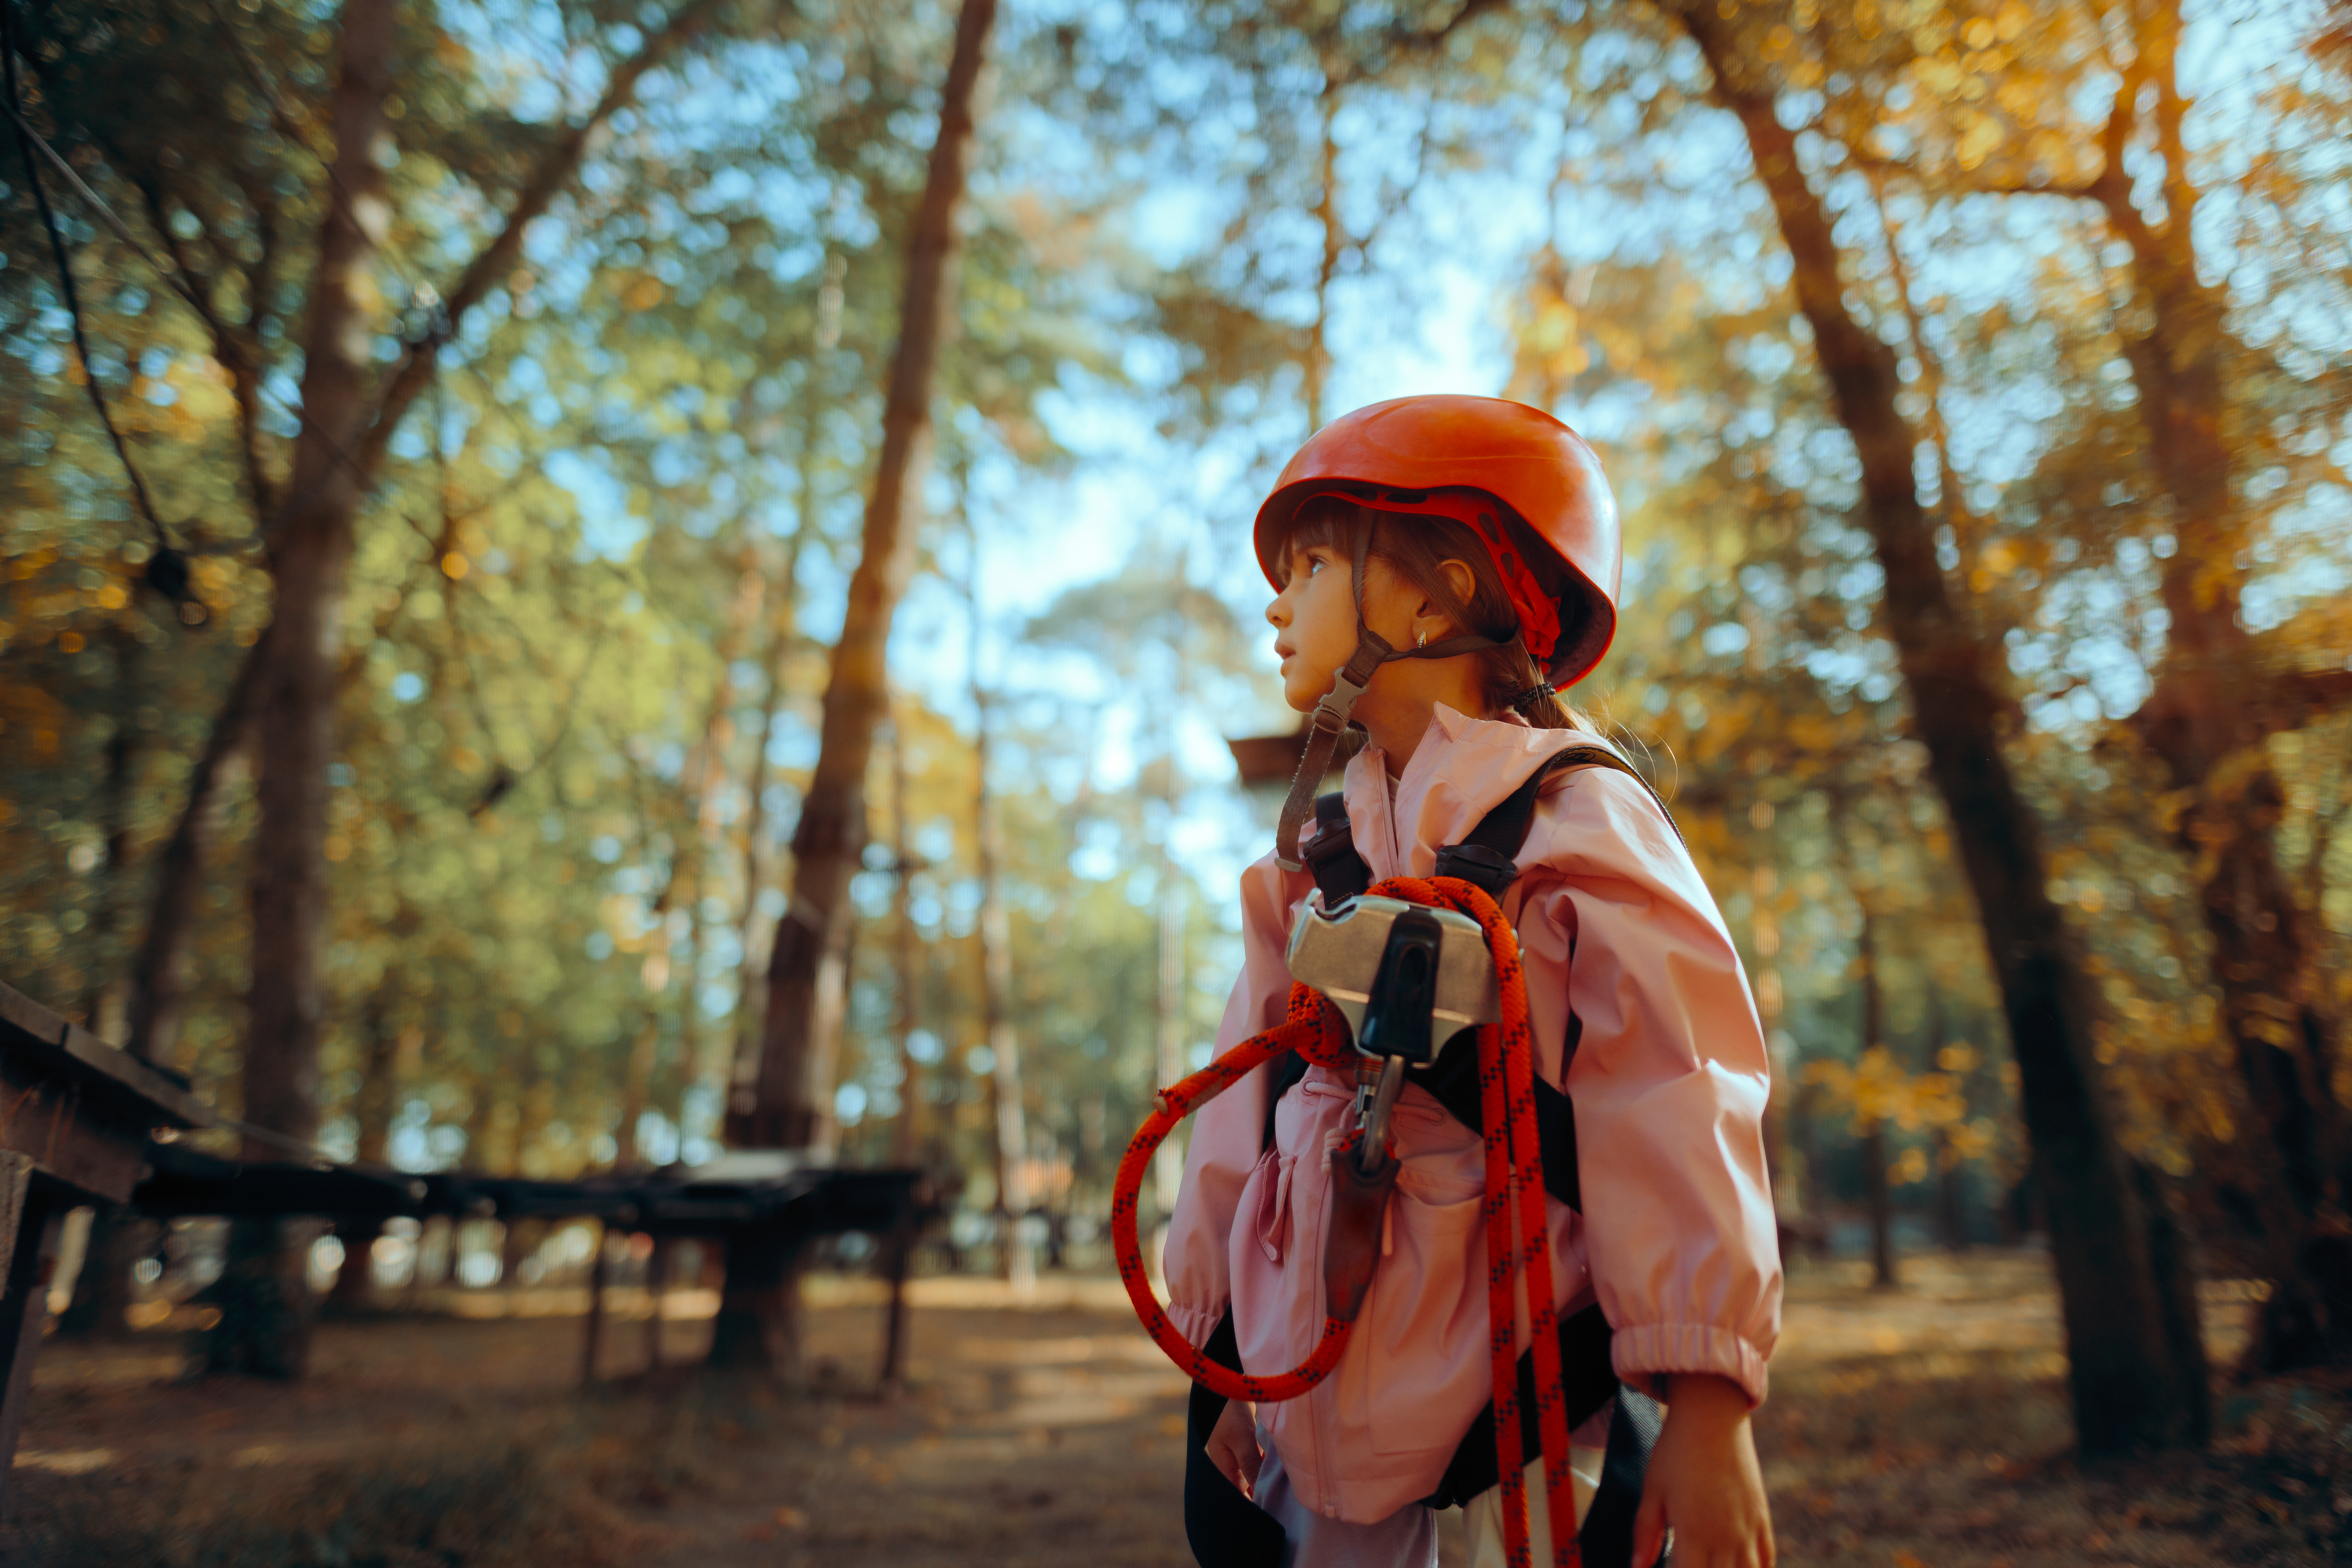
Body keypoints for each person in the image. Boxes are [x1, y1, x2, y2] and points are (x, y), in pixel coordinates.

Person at [1163, 395, 1781, 1568]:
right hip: (1313, 1444)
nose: (1275, 602)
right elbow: (1245, 1116)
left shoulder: (1579, 823)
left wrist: (1707, 1396)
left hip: (1525, 1446)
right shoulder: (1308, 868)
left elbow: (1676, 1087)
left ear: (1434, 600)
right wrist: (1228, 1362)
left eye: (1310, 567)